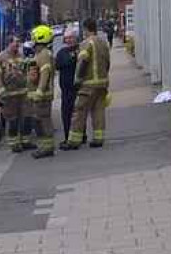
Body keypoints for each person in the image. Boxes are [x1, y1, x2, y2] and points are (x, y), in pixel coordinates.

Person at [62, 18, 111, 149]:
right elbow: (107, 62)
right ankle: (98, 139)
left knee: (79, 111)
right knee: (98, 111)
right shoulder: (103, 42)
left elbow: (83, 61)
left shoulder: (86, 43)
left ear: (86, 29)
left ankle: (73, 141)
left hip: (88, 84)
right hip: (102, 83)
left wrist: (77, 78)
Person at [0, 35, 28, 153]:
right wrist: (2, 91)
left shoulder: (21, 56)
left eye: (19, 42)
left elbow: (25, 73)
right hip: (9, 95)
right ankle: (14, 144)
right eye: (16, 42)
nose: (18, 44)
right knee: (12, 120)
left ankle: (24, 141)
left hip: (22, 94)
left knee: (24, 119)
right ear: (9, 43)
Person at [28, 24, 56, 158]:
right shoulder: (41, 53)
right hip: (40, 96)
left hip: (42, 96)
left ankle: (47, 148)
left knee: (43, 121)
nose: (32, 39)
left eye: (33, 37)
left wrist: (39, 91)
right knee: (40, 120)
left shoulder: (44, 54)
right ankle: (45, 147)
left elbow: (45, 73)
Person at [55, 28, 84, 149]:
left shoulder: (81, 50)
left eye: (71, 37)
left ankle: (79, 137)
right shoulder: (62, 52)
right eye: (66, 38)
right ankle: (68, 137)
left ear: (75, 38)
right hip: (66, 89)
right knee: (66, 114)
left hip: (78, 87)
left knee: (78, 113)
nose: (68, 40)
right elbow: (58, 65)